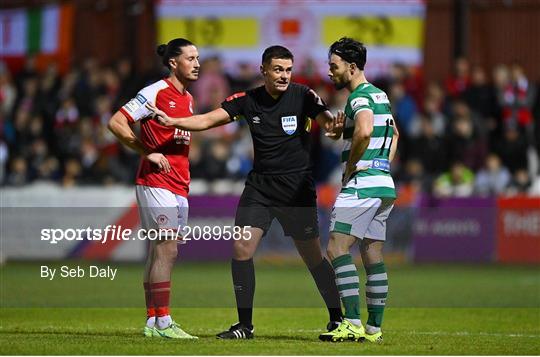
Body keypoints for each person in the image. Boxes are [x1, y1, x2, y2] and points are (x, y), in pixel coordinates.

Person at [146, 45, 344, 339]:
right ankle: (245, 326)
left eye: (288, 70)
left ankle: (337, 318)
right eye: (278, 69)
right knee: (241, 248)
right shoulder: (247, 100)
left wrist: (333, 128)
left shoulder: (303, 96)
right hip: (260, 187)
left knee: (313, 257)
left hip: (296, 190)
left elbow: (327, 121)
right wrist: (174, 121)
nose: (284, 76)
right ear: (262, 70)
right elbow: (208, 119)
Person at [107, 38, 199, 339]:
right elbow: (117, 122)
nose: (197, 64)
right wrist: (146, 151)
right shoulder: (154, 91)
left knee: (160, 253)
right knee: (166, 249)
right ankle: (164, 322)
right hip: (155, 180)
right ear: (173, 62)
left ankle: (151, 321)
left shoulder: (188, 98)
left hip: (179, 184)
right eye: (190, 58)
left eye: (198, 58)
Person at [319, 37, 399, 343]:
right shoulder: (381, 95)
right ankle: (374, 329)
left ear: (352, 68)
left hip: (362, 185)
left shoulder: (359, 97)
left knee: (336, 248)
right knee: (372, 252)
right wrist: (378, 163)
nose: (330, 72)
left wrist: (353, 165)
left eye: (334, 66)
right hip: (383, 184)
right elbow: (394, 136)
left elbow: (365, 129)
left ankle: (351, 322)